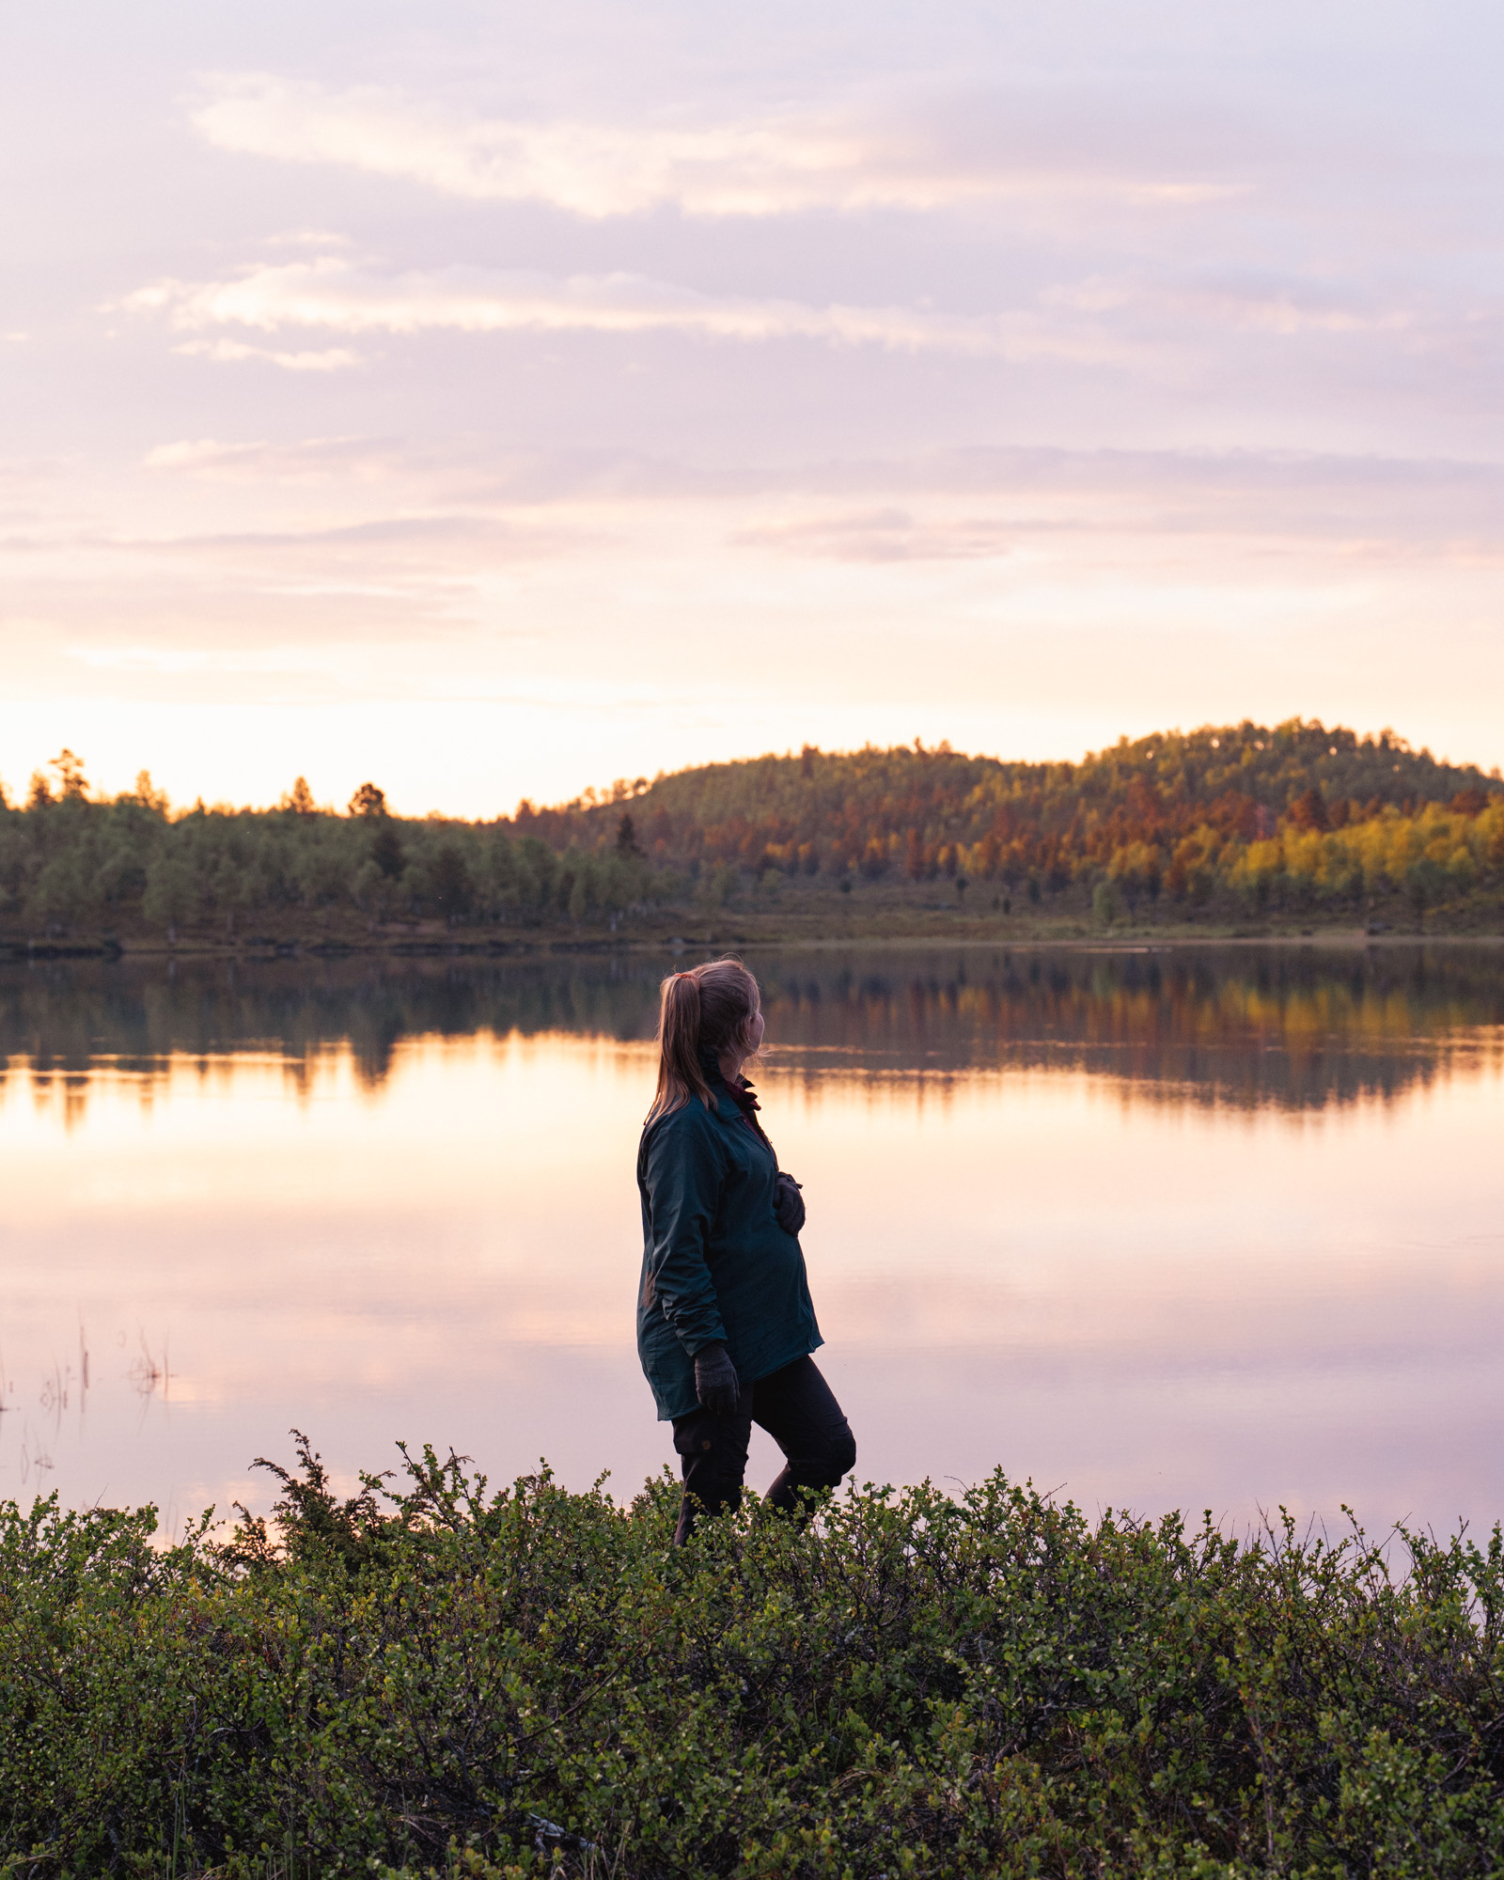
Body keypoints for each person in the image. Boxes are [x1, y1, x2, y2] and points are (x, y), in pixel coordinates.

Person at [635, 957, 856, 1544]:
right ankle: (691, 1625)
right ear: (742, 1030)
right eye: (757, 1009)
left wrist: (782, 1190)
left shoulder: (726, 1104)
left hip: (759, 1335)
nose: (764, 1019)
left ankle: (755, 1580)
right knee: (711, 1509)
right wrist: (707, 1353)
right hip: (709, 1344)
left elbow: (732, 1187)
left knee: (826, 1450)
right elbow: (676, 1254)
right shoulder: (684, 1125)